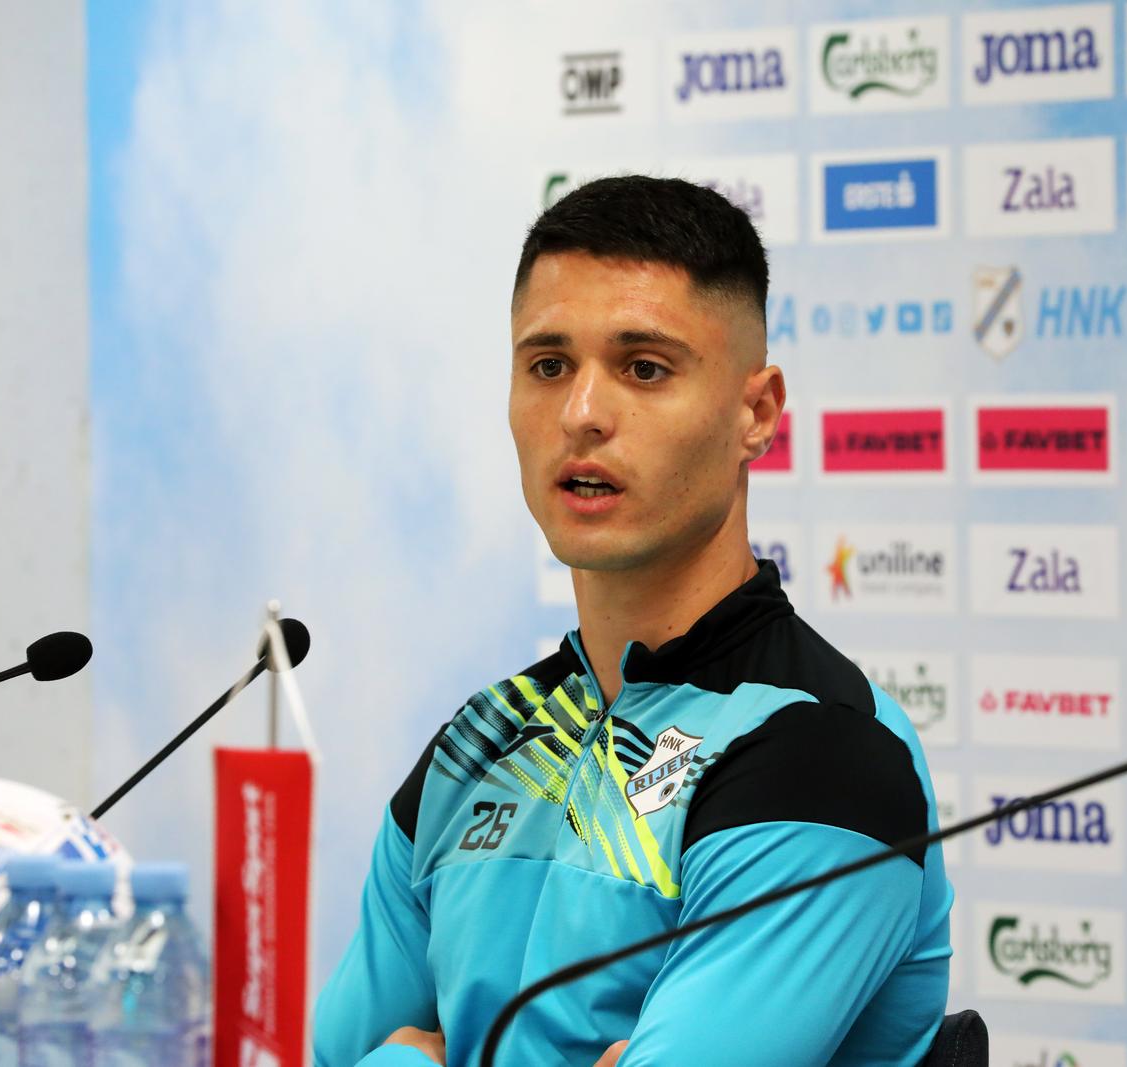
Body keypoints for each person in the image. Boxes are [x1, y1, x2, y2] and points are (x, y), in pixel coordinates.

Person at [313, 176, 952, 1066]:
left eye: (644, 368)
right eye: (548, 366)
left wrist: (414, 1060)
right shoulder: (477, 743)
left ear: (756, 412)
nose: (581, 415)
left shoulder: (825, 755)